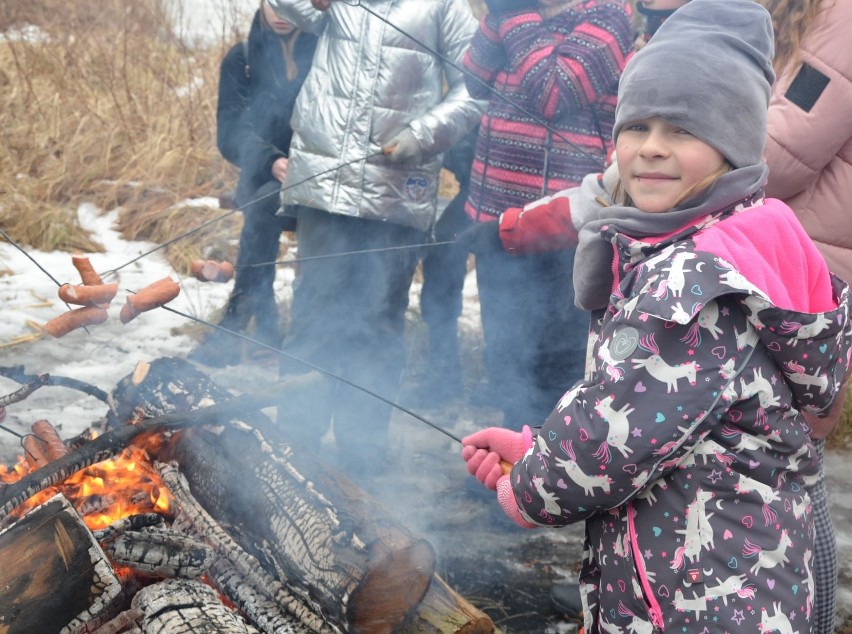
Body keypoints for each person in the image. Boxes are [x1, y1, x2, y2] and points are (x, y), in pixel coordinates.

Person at [459, 0, 852, 631]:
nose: (651, 150)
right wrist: (537, 447)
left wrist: (529, 483)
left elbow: (608, 444)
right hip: (725, 579)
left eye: (684, 131)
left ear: (736, 145)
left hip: (699, 602)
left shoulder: (690, 283)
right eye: (636, 127)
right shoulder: (724, 240)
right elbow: (645, 419)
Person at [265, 0, 482, 479]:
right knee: (312, 314)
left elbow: (476, 88)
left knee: (378, 320)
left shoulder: (443, 7)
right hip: (324, 184)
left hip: (397, 190)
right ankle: (296, 444)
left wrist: (422, 134)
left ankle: (362, 449)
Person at [456, 0, 633, 429]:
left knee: (553, 361)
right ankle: (509, 460)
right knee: (505, 350)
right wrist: (498, 14)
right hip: (493, 216)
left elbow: (553, 92)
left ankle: (542, 472)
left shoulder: (608, 14)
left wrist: (513, 14)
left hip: (563, 225)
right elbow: (474, 80)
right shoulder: (517, 12)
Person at [758, 0, 852, 630]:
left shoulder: (837, 21)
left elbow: (780, 148)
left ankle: (802, 613)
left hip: (804, 274)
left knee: (787, 458)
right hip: (789, 260)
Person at [189, 1, 317, 367]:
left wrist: (308, 163)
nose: (279, 11)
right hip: (264, 176)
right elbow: (229, 132)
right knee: (262, 204)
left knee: (263, 209)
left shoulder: (327, 53)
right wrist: (271, 160)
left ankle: (245, 327)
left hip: (319, 182)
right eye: (271, 2)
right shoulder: (241, 58)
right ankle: (265, 329)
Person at [410, 126, 478, 407]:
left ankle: (508, 382)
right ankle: (444, 376)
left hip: (521, 192)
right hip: (477, 189)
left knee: (507, 285)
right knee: (441, 257)